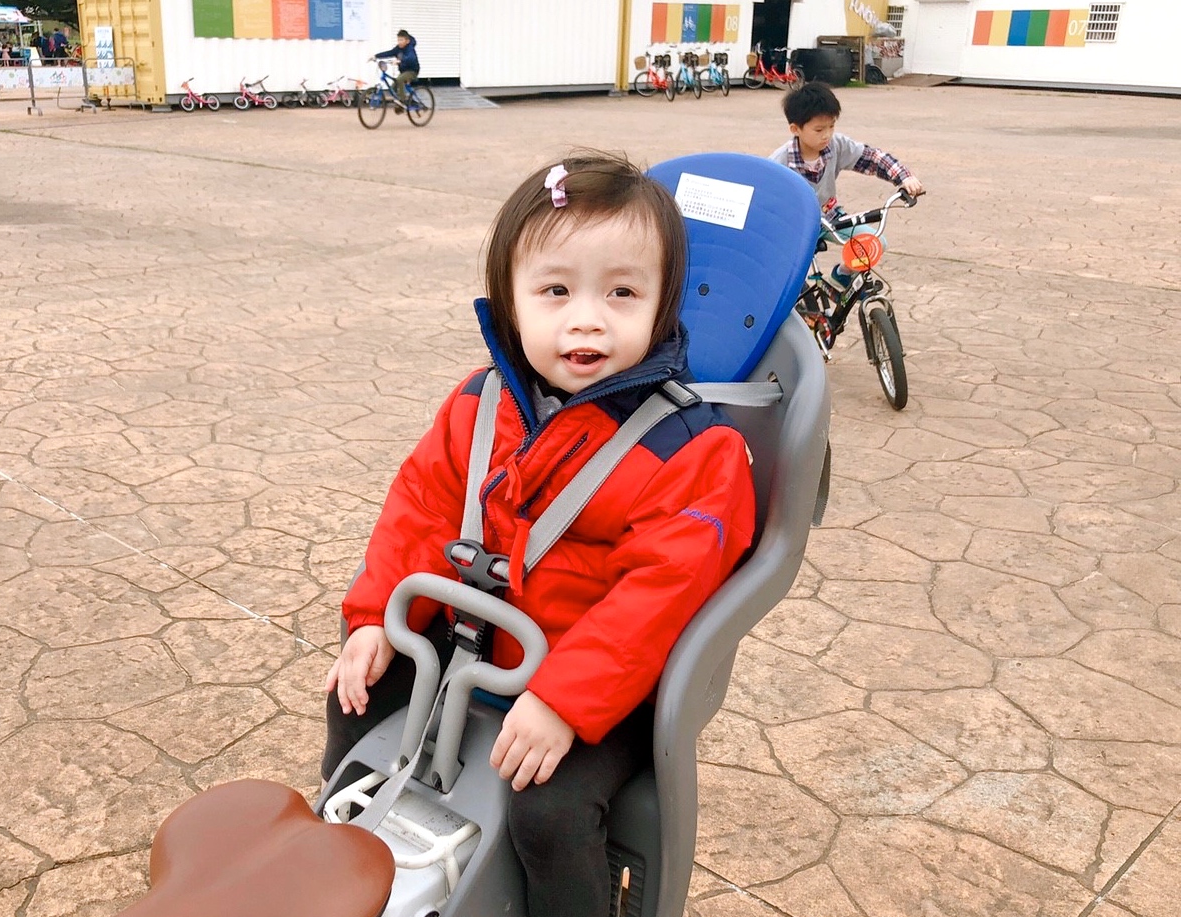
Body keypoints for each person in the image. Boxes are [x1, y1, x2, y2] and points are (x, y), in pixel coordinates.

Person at [321, 152, 756, 917]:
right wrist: (373, 616)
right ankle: (343, 866)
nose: (586, 317)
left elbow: (662, 593)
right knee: (356, 697)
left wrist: (564, 699)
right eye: (556, 290)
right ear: (512, 302)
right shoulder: (478, 404)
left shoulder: (691, 449)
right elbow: (419, 511)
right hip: (469, 652)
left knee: (547, 809)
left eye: (622, 292)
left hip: (602, 689)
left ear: (661, 306)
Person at [768, 80, 924, 294]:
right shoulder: (779, 163)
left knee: (875, 242)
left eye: (831, 126)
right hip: (796, 228)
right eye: (819, 129)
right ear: (796, 129)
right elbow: (765, 201)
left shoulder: (836, 146)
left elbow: (872, 158)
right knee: (789, 282)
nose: (827, 135)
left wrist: (904, 178)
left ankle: (842, 274)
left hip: (831, 218)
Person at [370, 29, 419, 109]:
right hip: (403, 71)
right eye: (398, 40)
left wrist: (400, 60)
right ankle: (403, 103)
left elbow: (410, 58)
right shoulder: (398, 49)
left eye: (401, 40)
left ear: (407, 41)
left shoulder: (410, 49)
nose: (399, 42)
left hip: (412, 71)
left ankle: (402, 102)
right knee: (393, 87)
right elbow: (389, 53)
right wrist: (376, 56)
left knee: (400, 79)